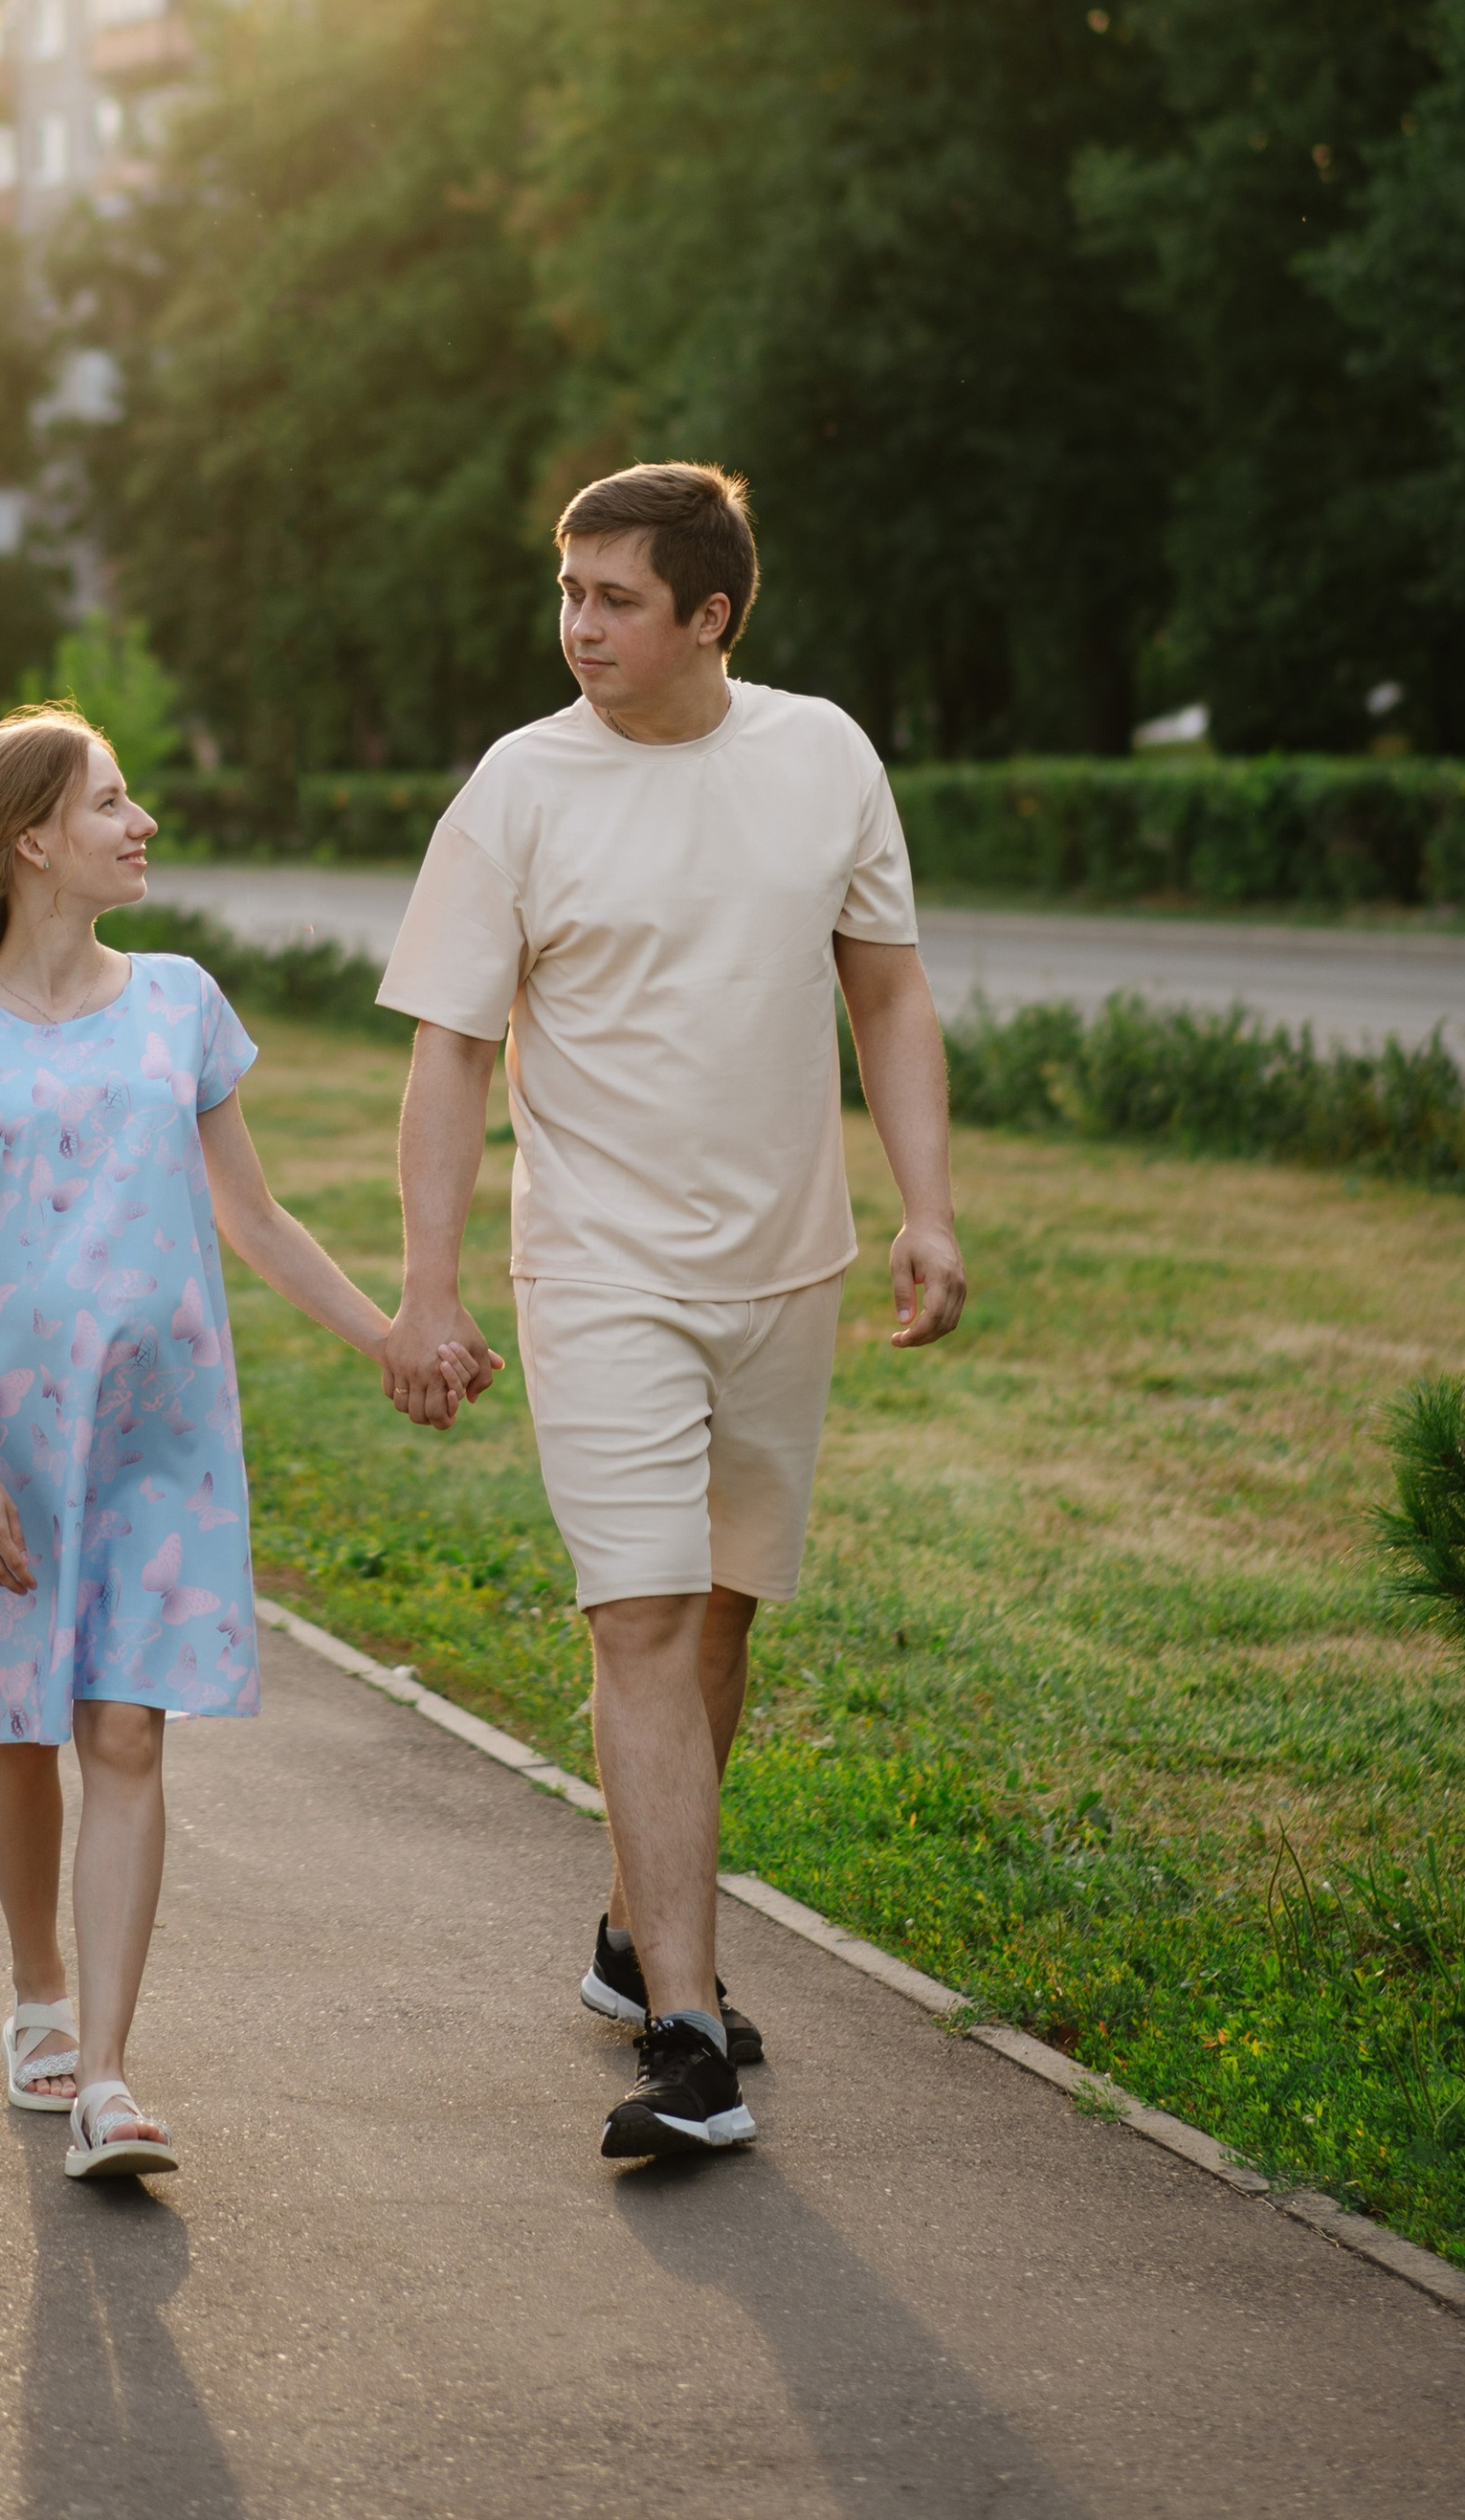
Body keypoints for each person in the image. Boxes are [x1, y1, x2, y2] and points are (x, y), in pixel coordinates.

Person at [375, 463, 966, 2163]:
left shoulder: (823, 753)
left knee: (721, 1615)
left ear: (711, 614)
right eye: (568, 593)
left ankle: (637, 1925)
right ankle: (688, 2031)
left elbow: (889, 985)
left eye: (616, 598)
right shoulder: (519, 787)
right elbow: (450, 1054)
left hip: (790, 1267)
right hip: (602, 1271)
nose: (578, 627)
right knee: (635, 1617)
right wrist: (429, 1282)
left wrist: (926, 1204)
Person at [0, 702, 404, 2180]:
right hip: (14, 1442)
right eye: (111, 801)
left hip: (166, 1432)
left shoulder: (181, 1002)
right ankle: (36, 1990)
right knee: (24, 1725)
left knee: (126, 1725)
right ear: (34, 839)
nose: (141, 818)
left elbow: (256, 1215)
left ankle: (104, 2071)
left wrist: (389, 1335)